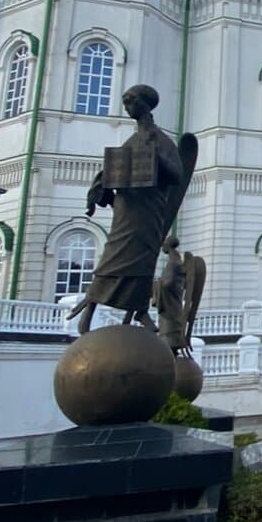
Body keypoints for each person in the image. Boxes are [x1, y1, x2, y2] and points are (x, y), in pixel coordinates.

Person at [70, 85, 185, 334]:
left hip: (148, 210)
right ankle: (91, 305)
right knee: (114, 253)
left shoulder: (160, 139)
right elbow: (118, 170)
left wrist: (156, 157)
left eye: (131, 100)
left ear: (145, 104)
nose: (126, 105)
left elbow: (177, 173)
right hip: (126, 207)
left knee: (143, 259)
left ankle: (140, 311)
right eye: (125, 100)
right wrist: (103, 187)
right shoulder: (132, 140)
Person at [153, 236, 187, 354]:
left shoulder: (173, 263)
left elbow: (168, 283)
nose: (162, 247)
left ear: (168, 245)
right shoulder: (176, 260)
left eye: (164, 244)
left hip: (170, 305)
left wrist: (156, 284)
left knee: (169, 337)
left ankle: (172, 357)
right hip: (172, 303)